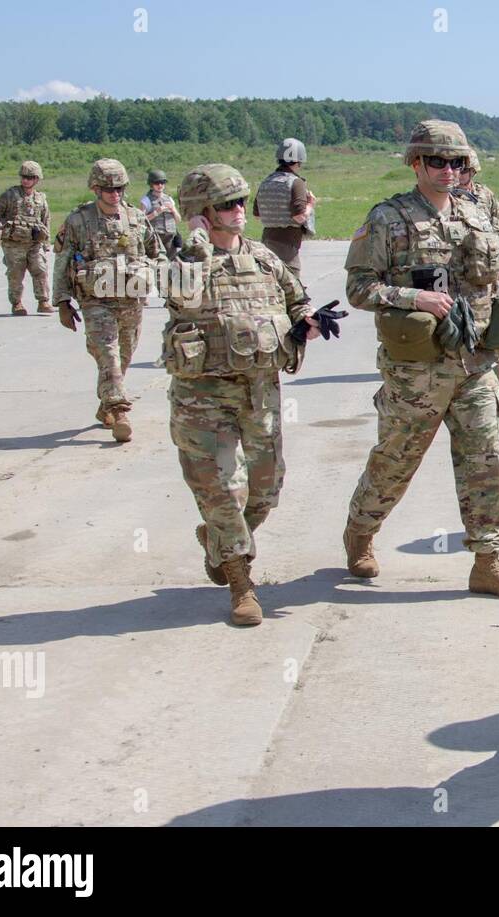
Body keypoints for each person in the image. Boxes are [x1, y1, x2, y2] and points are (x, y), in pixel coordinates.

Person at [340, 119, 499, 600]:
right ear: (416, 164)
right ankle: (360, 532)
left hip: (475, 363)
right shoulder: (388, 218)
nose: (449, 170)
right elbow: (359, 288)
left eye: (457, 162)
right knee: (396, 461)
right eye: (437, 161)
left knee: (484, 458)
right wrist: (412, 298)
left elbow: (490, 288)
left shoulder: (478, 212)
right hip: (417, 370)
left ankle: (488, 561)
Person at [163, 163, 325, 625]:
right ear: (201, 212)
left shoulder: (264, 257)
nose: (239, 211)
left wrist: (309, 319)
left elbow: (296, 298)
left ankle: (217, 540)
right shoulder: (183, 262)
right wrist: (193, 243)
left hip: (259, 392)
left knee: (267, 490)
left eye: (240, 202)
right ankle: (240, 582)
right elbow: (179, 298)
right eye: (226, 205)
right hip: (203, 398)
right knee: (222, 492)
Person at [51, 159, 166, 441]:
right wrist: (63, 301)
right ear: (95, 189)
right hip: (95, 302)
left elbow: (158, 253)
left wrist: (164, 283)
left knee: (124, 356)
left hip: (131, 301)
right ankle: (120, 410)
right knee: (108, 354)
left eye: (120, 189)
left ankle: (107, 407)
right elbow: (63, 259)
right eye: (108, 189)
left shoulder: (136, 218)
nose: (115, 194)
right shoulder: (79, 220)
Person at [0, 160, 51, 315]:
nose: (25, 180)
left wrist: (46, 242)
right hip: (13, 244)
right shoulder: (10, 195)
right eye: (23, 177)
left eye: (29, 177)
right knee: (15, 273)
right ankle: (17, 303)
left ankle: (43, 301)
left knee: (40, 269)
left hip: (34, 243)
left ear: (36, 179)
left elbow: (46, 220)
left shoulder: (40, 198)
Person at [253, 138, 315, 277]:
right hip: (288, 244)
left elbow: (257, 215)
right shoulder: (296, 182)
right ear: (299, 160)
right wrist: (310, 205)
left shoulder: (267, 181)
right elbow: (299, 217)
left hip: (267, 241)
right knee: (292, 290)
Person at [454, 149, 499, 287]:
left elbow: (497, 229)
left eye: (463, 171)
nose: (458, 174)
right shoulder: (445, 197)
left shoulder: (485, 195)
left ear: (473, 171)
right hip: (457, 263)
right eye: (456, 168)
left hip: (484, 261)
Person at [140, 169, 180, 258]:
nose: (160, 185)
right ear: (151, 184)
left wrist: (173, 210)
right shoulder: (146, 200)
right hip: (155, 239)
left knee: (173, 263)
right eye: (157, 183)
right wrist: (156, 212)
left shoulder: (169, 199)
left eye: (162, 182)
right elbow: (140, 220)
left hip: (170, 238)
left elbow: (178, 220)